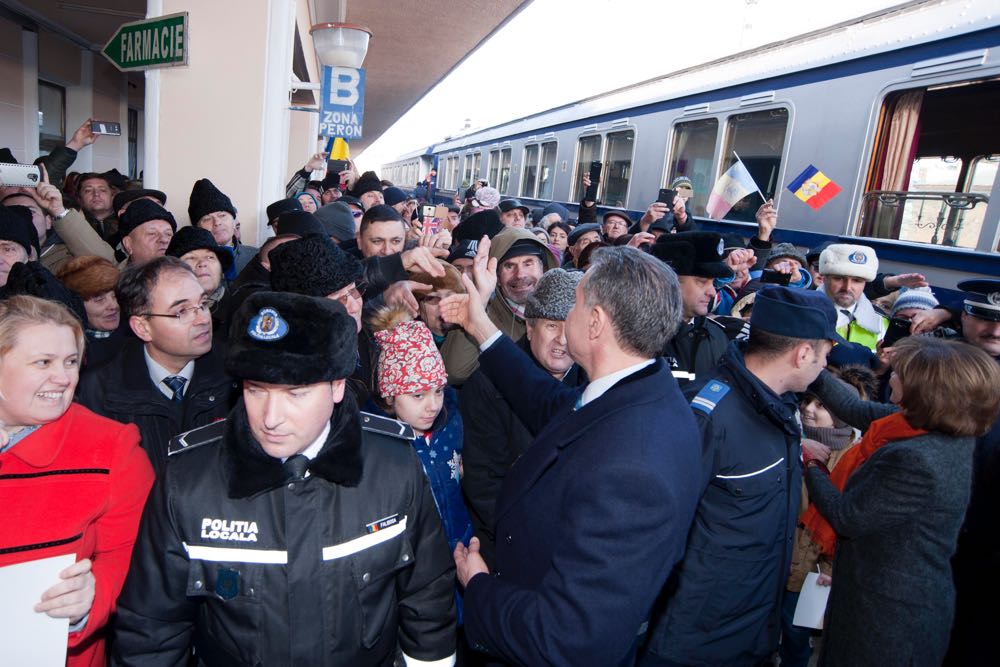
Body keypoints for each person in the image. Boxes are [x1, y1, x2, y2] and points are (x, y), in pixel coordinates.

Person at [111, 291, 457, 666]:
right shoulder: (188, 482)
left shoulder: (392, 467)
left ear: (337, 386)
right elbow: (153, 629)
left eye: (295, 393)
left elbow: (427, 595)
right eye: (256, 390)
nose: (270, 416)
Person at [441, 245, 702, 665]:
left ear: (595, 323)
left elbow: (567, 639)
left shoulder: (634, 471)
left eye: (576, 305)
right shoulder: (637, 389)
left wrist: (480, 588)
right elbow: (547, 402)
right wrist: (479, 325)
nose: (566, 321)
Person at [640, 286, 841, 667]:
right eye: (825, 356)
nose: (824, 368)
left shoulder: (777, 408)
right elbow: (654, 529)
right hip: (695, 641)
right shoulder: (709, 416)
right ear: (802, 354)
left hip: (750, 628)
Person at [802, 336, 1000, 666]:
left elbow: (847, 516)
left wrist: (812, 463)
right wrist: (816, 368)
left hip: (889, 615)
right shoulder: (930, 426)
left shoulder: (917, 458)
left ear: (924, 389)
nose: (890, 375)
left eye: (899, 373)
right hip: (878, 596)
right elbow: (856, 409)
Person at [0, 295, 154, 667]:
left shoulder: (112, 448)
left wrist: (90, 600)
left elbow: (129, 557)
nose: (64, 377)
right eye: (43, 363)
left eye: (71, 362)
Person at [459, 268, 587, 568]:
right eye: (552, 326)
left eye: (571, 327)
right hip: (510, 547)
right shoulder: (488, 384)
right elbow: (484, 483)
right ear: (530, 328)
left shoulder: (594, 384)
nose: (562, 340)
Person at [76, 257, 236, 475]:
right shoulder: (98, 393)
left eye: (203, 304)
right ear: (142, 328)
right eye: (181, 311)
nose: (202, 319)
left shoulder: (238, 376)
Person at [944, 278, 1000, 666]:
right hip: (936, 540)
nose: (994, 329)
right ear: (965, 317)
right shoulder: (935, 367)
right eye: (984, 317)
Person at [439, 227, 559, 385]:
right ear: (496, 276)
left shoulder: (565, 313)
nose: (520, 274)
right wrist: (479, 303)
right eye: (509, 266)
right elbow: (453, 372)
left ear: (544, 269)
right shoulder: (486, 316)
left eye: (528, 264)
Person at [651, 232, 734, 386]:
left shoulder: (718, 336)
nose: (712, 292)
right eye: (702, 282)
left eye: (713, 282)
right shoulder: (636, 336)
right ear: (669, 281)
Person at [56, 255, 128, 368]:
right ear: (76, 305)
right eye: (100, 299)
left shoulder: (138, 329)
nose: (114, 305)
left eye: (115, 296)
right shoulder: (76, 358)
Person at [818, 243, 887, 350]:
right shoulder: (803, 314)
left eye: (857, 280)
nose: (847, 287)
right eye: (839, 278)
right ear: (824, 279)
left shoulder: (881, 321)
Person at [166, 225, 235, 323]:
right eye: (191, 258)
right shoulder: (163, 312)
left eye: (210, 257)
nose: (202, 263)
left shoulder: (242, 305)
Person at [189, 178, 257, 275]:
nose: (217, 222)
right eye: (207, 219)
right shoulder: (188, 264)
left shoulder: (256, 256)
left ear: (234, 222)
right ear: (197, 228)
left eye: (222, 215)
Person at [116, 199, 176, 268]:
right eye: (152, 233)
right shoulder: (114, 277)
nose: (164, 240)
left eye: (168, 234)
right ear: (128, 244)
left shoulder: (185, 274)